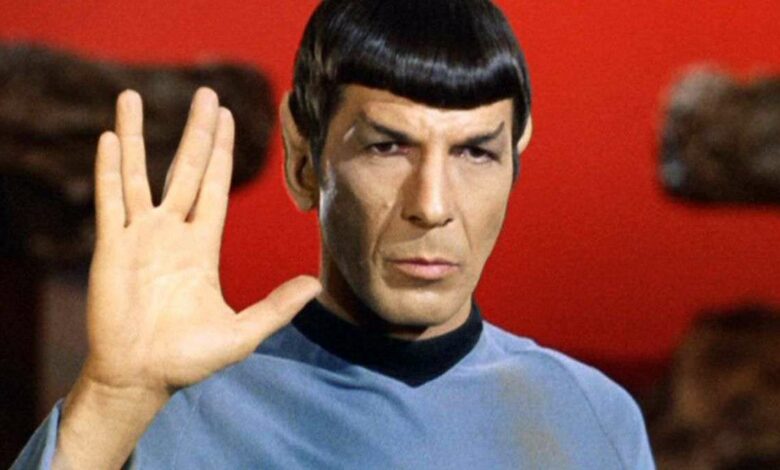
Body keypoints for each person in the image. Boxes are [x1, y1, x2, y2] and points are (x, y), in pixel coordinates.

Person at [14, 0, 655, 468]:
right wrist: (113, 401)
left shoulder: (593, 419)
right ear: (304, 161)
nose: (432, 206)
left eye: (474, 153)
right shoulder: (168, 412)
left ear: (516, 158)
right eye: (387, 147)